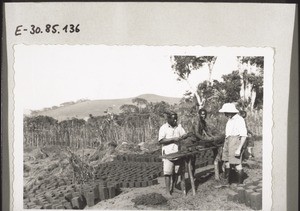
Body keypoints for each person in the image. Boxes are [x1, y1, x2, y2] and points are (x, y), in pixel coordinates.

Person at [158, 110, 188, 196]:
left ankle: (174, 187)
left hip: (177, 152)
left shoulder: (178, 126)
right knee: (168, 173)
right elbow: (161, 141)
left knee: (176, 172)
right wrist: (173, 139)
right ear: (168, 119)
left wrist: (185, 136)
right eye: (173, 119)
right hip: (168, 154)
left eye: (176, 119)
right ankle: (168, 191)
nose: (175, 121)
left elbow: (183, 134)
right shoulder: (163, 128)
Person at [219, 103, 248, 185]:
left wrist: (239, 149)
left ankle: (240, 184)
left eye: (226, 112)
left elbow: (244, 136)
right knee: (226, 161)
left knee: (237, 163)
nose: (224, 114)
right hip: (228, 140)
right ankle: (228, 182)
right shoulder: (230, 119)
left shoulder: (239, 120)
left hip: (235, 141)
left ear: (230, 111)